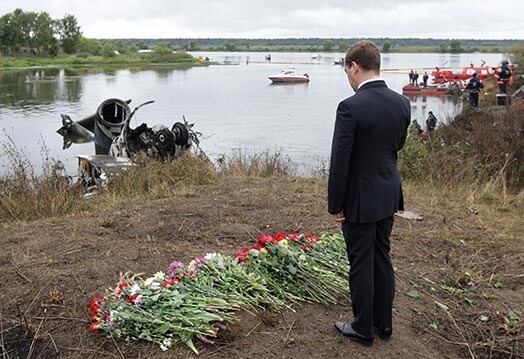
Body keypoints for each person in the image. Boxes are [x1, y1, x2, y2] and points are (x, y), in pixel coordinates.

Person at [328, 40, 410, 346]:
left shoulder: (350, 107)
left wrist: (336, 204)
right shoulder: (401, 102)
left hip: (359, 199)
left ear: (354, 66)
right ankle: (384, 324)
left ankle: (362, 327)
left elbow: (340, 161)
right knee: (381, 256)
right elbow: (397, 145)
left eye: (347, 70)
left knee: (360, 262)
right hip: (388, 193)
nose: (348, 77)